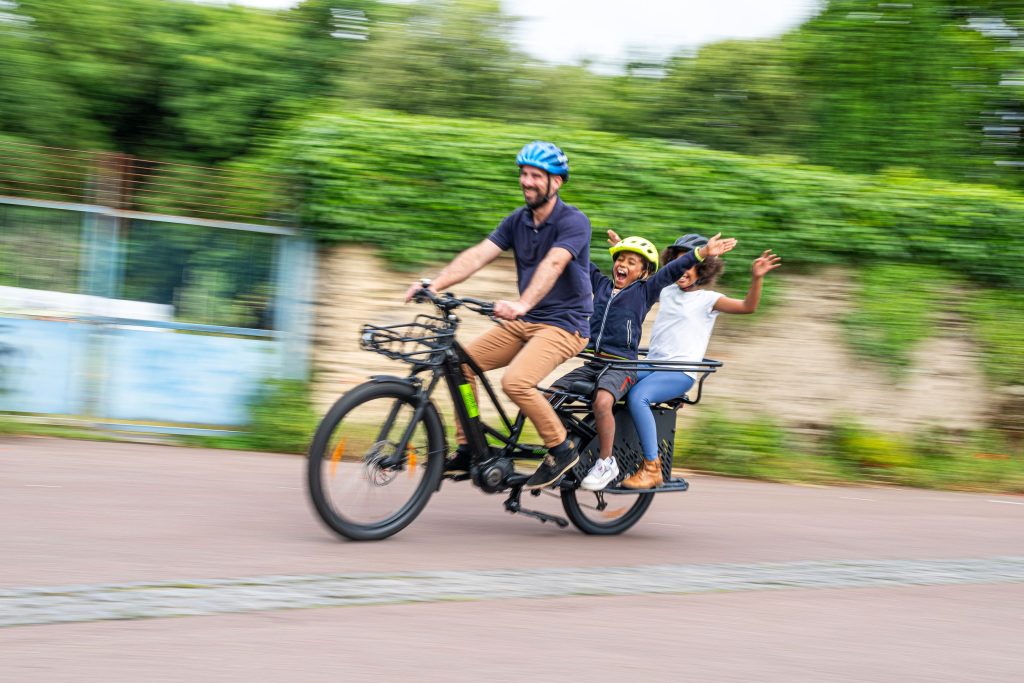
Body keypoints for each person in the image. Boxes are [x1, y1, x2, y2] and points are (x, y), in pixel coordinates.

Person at [403, 141, 591, 490]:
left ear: (556, 182)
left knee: (515, 382)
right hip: (525, 321)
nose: (527, 181)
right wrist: (434, 284)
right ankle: (469, 446)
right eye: (524, 174)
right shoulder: (517, 221)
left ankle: (561, 448)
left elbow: (554, 263)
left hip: (566, 324)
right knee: (460, 366)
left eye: (536, 175)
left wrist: (522, 304)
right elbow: (478, 255)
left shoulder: (573, 221)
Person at [551, 229, 736, 491]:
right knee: (554, 396)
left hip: (646, 366)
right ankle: (566, 449)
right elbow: (587, 266)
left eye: (632, 262)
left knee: (623, 398)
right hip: (617, 363)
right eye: (620, 260)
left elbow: (667, 273)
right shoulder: (614, 287)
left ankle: (630, 464)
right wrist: (566, 239)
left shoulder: (653, 291)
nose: (623, 265)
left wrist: (703, 253)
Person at [622, 235, 782, 489]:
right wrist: (622, 253)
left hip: (679, 372)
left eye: (689, 264)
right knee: (612, 379)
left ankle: (652, 467)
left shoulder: (708, 299)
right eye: (678, 263)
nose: (683, 270)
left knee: (638, 396)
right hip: (653, 364)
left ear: (703, 269)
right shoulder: (666, 290)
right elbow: (636, 281)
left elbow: (747, 306)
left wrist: (757, 277)